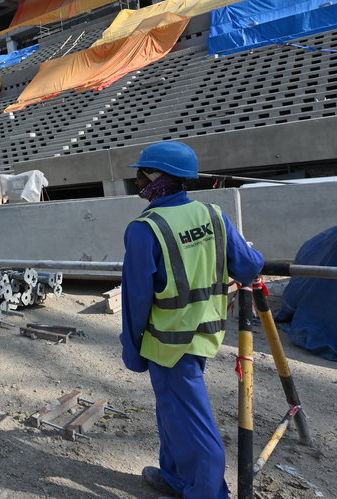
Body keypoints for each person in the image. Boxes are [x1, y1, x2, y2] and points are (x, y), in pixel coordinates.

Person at [120, 141, 265, 499]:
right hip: (204, 335)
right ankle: (174, 476)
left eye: (142, 175)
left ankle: (207, 492)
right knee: (172, 411)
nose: (138, 182)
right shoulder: (213, 215)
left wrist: (132, 348)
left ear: (157, 178)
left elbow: (136, 300)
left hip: (168, 343)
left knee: (192, 425)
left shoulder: (146, 228)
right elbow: (248, 266)